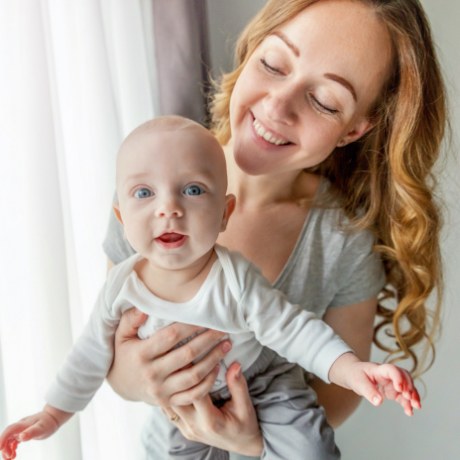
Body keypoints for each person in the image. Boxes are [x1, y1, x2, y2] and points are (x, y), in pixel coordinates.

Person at [71, 0, 450, 458]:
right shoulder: (150, 191)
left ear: (353, 130)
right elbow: (110, 348)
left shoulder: (342, 240)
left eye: (324, 101)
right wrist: (132, 378)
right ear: (251, 49)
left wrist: (254, 443)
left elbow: (342, 393)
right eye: (273, 64)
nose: (277, 106)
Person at [0, 116, 421, 460]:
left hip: (261, 383)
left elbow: (292, 329)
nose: (168, 208)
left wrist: (352, 369)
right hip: (184, 408)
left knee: (310, 450)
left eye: (193, 190)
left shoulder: (234, 276)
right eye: (144, 193)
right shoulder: (122, 285)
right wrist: (53, 415)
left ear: (224, 214)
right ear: (121, 216)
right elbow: (92, 353)